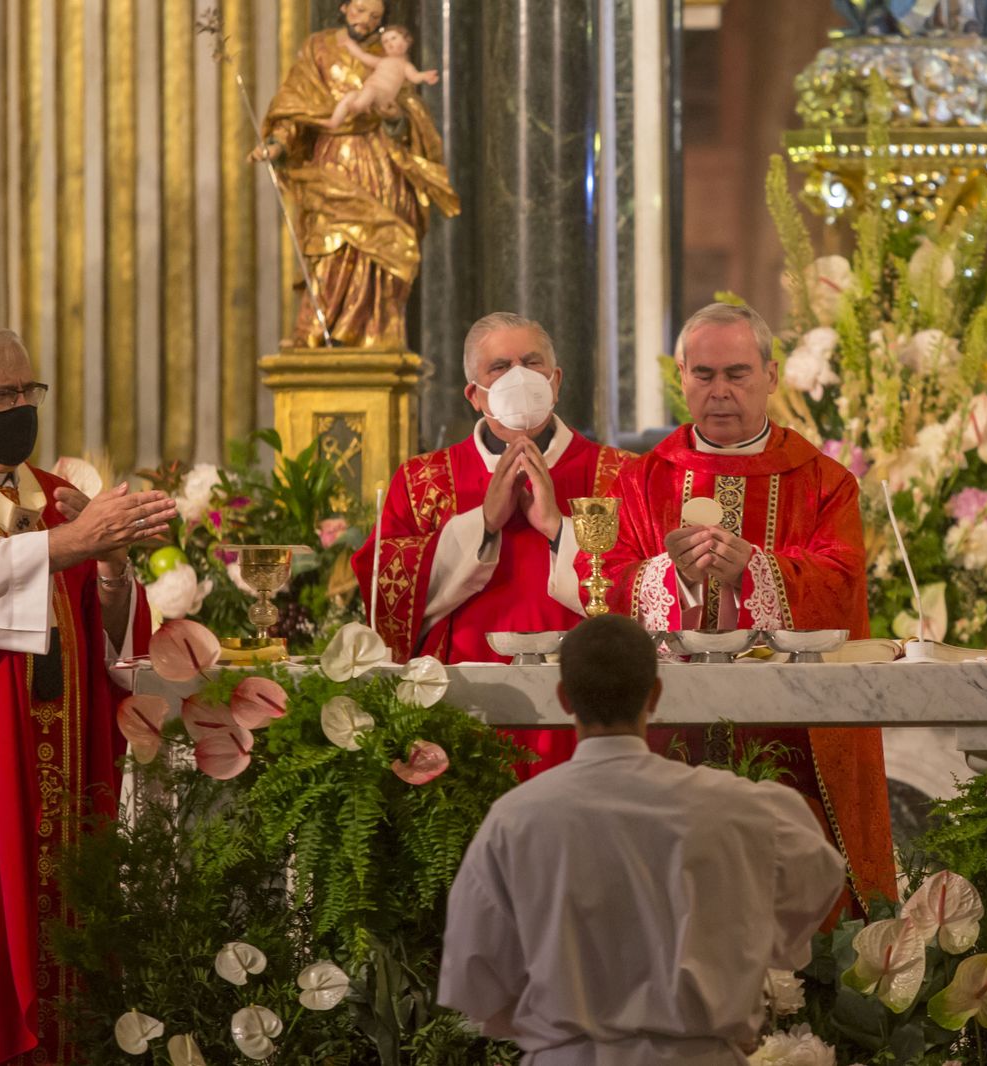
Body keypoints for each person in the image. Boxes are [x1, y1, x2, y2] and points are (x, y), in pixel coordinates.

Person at [438, 614, 845, 1064]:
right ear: (654, 694)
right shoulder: (736, 806)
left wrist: (561, 1032)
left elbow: (476, 976)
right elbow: (820, 869)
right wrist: (769, 949)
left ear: (563, 698)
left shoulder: (514, 819)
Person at [602, 301, 895, 913]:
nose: (720, 391)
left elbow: (841, 585)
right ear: (681, 376)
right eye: (703, 375)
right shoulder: (640, 480)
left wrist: (756, 570)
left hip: (794, 743)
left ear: (771, 374)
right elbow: (604, 584)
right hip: (671, 736)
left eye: (737, 373)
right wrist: (670, 576)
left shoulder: (823, 482)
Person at [0, 328, 172, 1066]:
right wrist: (72, 544)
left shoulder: (52, 497)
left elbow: (105, 642)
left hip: (62, 771)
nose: (18, 407)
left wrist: (108, 570)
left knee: (70, 943)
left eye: (26, 393)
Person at [351, 313, 630, 778]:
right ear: (475, 395)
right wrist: (483, 523)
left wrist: (558, 527)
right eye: (499, 368)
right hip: (460, 712)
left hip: (586, 707)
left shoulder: (621, 474)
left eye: (532, 363)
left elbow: (645, 591)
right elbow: (385, 590)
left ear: (556, 382)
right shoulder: (423, 481)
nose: (519, 377)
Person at [254, 0, 459, 349]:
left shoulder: (390, 53)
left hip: (380, 166)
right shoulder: (318, 47)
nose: (365, 21)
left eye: (375, 16)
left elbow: (412, 115)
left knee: (379, 248)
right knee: (327, 243)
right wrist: (276, 145)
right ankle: (315, 332)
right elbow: (295, 106)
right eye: (360, 10)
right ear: (345, 7)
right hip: (330, 161)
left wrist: (395, 119)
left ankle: (375, 334)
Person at [322, 26, 438, 131]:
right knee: (351, 95)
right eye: (385, 42)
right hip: (368, 93)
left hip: (383, 96)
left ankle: (359, 106)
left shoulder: (405, 65)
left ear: (407, 40)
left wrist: (425, 76)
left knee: (371, 90)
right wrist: (349, 44)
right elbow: (362, 56)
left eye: (393, 38)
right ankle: (335, 121)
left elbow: (414, 77)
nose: (389, 43)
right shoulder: (382, 61)